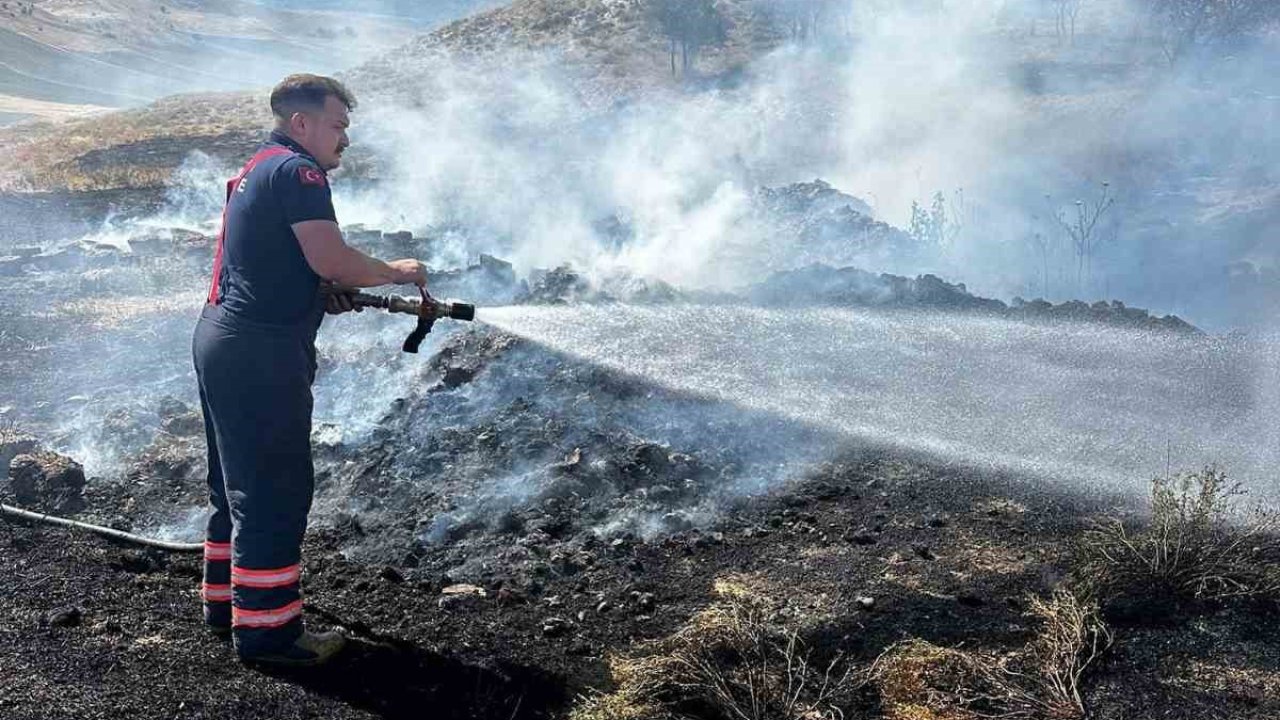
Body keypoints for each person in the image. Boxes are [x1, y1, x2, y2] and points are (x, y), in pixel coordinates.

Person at [192, 74, 426, 666]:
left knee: (235, 485)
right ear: (303, 123)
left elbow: (279, 262)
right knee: (275, 489)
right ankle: (269, 636)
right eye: (338, 126)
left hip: (224, 338)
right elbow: (331, 257)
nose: (344, 139)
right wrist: (397, 271)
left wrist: (318, 291)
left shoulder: (256, 168)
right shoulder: (299, 172)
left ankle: (228, 608)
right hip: (260, 352)